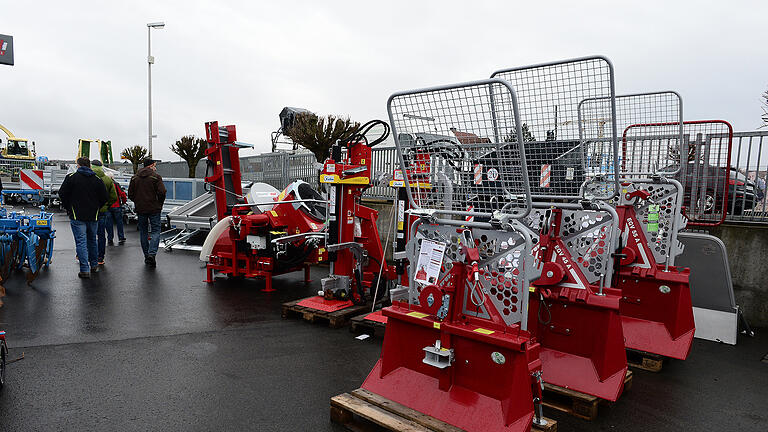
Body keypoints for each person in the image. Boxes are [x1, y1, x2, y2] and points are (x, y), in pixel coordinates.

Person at [58, 157, 108, 278]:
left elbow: (62, 194)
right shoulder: (97, 180)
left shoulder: (71, 178)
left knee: (81, 242)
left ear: (78, 165)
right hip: (93, 215)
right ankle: (94, 265)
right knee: (92, 240)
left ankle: (84, 269)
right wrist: (97, 207)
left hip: (77, 215)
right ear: (89, 166)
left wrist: (68, 207)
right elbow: (104, 197)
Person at [128, 158, 166, 267]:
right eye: (154, 165)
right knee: (155, 231)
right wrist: (159, 203)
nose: (155, 167)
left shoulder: (134, 177)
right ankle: (152, 254)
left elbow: (130, 194)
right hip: (154, 208)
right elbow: (162, 192)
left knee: (143, 232)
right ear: (150, 166)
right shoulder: (156, 177)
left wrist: (138, 201)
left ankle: (146, 256)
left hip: (140, 209)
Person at [91, 160, 118, 266]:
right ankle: (100, 257)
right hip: (102, 211)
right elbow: (113, 197)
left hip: (88, 211)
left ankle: (86, 255)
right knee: (101, 234)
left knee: (88, 234)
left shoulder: (87, 177)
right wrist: (106, 205)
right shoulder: (107, 179)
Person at [105, 171, 127, 245]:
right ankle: (121, 237)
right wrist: (124, 202)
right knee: (119, 222)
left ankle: (110, 238)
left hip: (107, 206)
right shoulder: (116, 184)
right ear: (112, 177)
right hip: (116, 205)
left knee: (109, 223)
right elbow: (122, 194)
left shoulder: (104, 184)